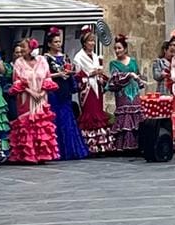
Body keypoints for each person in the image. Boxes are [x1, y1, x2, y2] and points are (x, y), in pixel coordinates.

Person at [8, 39, 60, 164]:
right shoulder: (19, 63)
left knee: (41, 123)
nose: (21, 49)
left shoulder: (42, 61)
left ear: (31, 49)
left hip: (41, 97)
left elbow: (47, 78)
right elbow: (17, 81)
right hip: (26, 98)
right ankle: (27, 154)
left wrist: (42, 93)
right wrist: (31, 92)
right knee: (27, 125)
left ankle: (41, 153)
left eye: (24, 47)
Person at [44, 28, 88, 161]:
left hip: (65, 90)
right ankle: (57, 150)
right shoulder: (45, 58)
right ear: (50, 44)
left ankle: (71, 148)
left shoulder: (65, 57)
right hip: (53, 90)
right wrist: (58, 74)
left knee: (67, 118)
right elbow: (44, 75)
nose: (58, 44)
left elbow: (70, 70)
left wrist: (71, 73)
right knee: (56, 118)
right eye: (56, 42)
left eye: (59, 42)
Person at [74, 27, 113, 154]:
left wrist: (100, 75)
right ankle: (89, 145)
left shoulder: (96, 56)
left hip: (97, 87)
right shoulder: (78, 57)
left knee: (98, 113)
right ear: (84, 43)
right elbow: (77, 76)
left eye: (93, 41)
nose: (92, 43)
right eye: (90, 41)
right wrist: (90, 74)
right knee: (89, 115)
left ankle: (101, 144)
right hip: (87, 89)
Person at [107, 34, 145, 152]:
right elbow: (115, 78)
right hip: (122, 94)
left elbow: (137, 73)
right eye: (116, 49)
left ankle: (138, 144)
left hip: (134, 93)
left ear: (125, 49)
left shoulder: (133, 61)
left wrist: (139, 80)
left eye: (119, 48)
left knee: (136, 115)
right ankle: (124, 145)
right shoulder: (113, 64)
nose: (117, 51)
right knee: (125, 117)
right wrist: (128, 75)